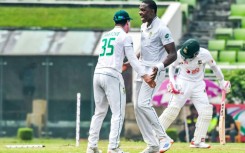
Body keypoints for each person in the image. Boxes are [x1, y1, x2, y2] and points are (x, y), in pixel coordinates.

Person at [86, 10, 156, 153]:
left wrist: (121, 65)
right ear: (127, 22)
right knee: (118, 113)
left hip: (98, 73)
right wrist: (145, 76)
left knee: (99, 112)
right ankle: (113, 147)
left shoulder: (106, 35)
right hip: (112, 75)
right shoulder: (125, 36)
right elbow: (133, 59)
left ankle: (91, 146)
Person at [158, 38, 231, 148]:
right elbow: (172, 68)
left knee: (206, 111)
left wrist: (222, 81)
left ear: (196, 53)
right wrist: (172, 82)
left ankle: (197, 141)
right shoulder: (179, 54)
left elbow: (214, 68)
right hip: (182, 83)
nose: (185, 58)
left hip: (198, 84)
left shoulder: (205, 54)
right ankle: (156, 135)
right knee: (173, 109)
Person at [132, 1, 177, 152]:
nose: (140, 13)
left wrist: (158, 67)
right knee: (137, 107)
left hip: (154, 71)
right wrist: (130, 60)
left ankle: (163, 137)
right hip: (141, 69)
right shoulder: (143, 26)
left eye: (143, 10)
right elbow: (144, 48)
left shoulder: (162, 29)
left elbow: (173, 54)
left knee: (143, 103)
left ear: (152, 11)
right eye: (140, 10)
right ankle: (152, 144)